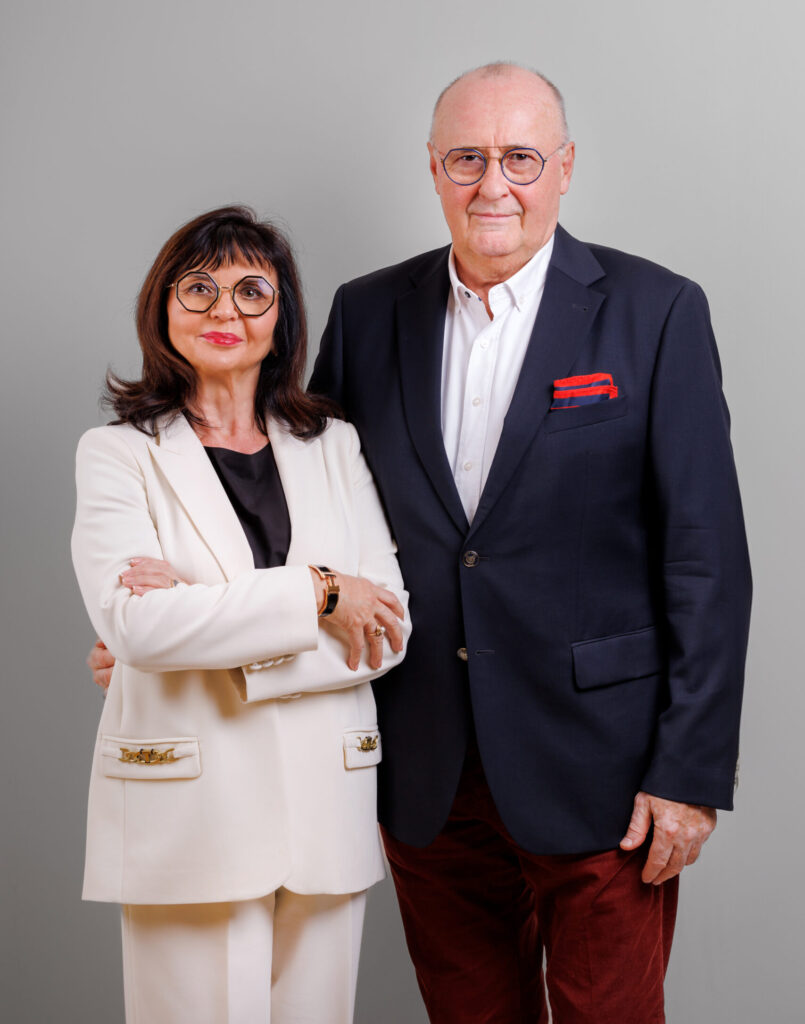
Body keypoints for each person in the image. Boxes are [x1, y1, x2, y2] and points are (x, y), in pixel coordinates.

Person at [90, 65, 752, 1023]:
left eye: (520, 158)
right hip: (423, 763)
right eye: (467, 159)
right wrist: (178, 632)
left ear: (564, 168)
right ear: (434, 169)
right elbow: (304, 509)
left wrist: (688, 772)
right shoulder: (369, 313)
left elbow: (705, 558)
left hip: (603, 766)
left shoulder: (654, 311)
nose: (493, 185)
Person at [72, 205, 410, 1024]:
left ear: (281, 317)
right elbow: (137, 629)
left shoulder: (333, 444)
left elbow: (388, 631)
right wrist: (321, 594)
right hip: (188, 813)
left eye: (251, 291)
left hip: (325, 808)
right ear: (163, 307)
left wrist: (202, 623)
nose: (225, 310)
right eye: (199, 288)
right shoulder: (117, 453)